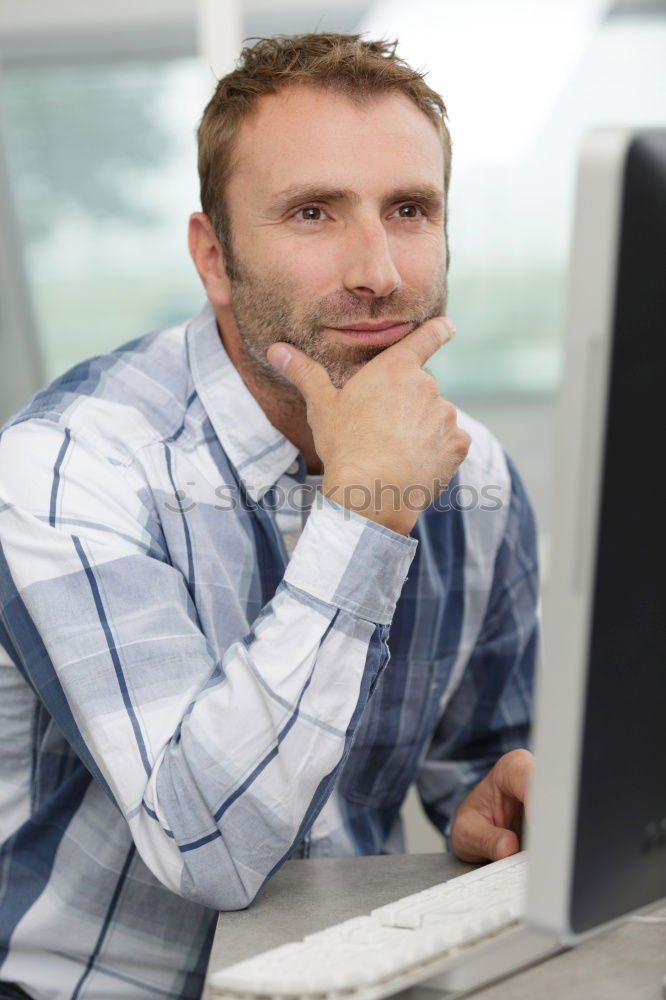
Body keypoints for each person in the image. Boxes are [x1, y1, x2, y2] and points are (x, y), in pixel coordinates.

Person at [0, 33, 538, 1000]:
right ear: (215, 255)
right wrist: (368, 511)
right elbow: (205, 845)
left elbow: (476, 763)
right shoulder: (69, 465)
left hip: (355, 973)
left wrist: (488, 804)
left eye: (409, 209)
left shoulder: (474, 470)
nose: (377, 270)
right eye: (312, 213)